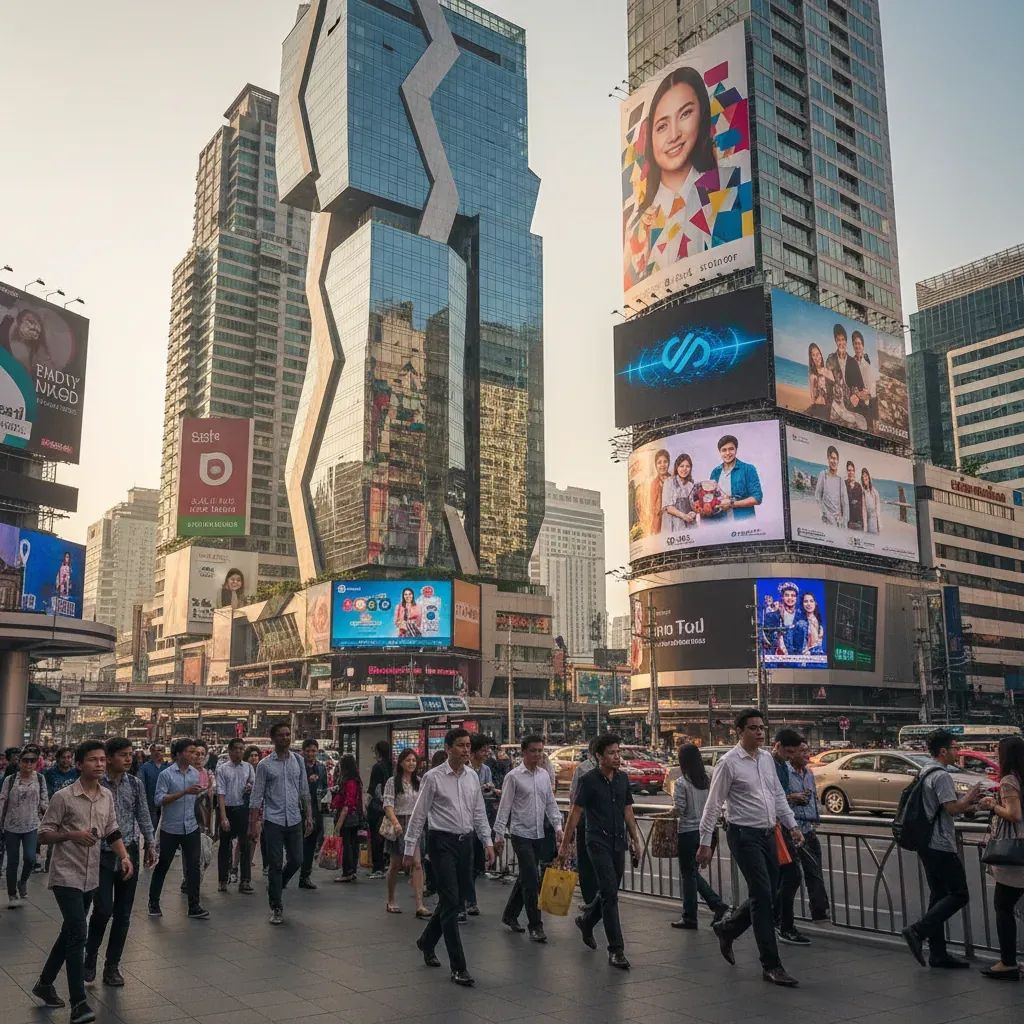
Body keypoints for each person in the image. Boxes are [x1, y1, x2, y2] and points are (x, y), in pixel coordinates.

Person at [698, 709, 804, 987]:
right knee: (762, 896)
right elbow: (712, 805)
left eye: (762, 727)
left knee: (768, 893)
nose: (760, 732)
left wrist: (792, 826)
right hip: (744, 835)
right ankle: (772, 964)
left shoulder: (767, 759)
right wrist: (705, 842)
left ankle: (728, 928)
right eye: (753, 728)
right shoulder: (729, 763)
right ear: (739, 732)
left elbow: (778, 795)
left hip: (770, 834)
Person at [34, 740, 133, 1024]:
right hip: (66, 874)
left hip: (91, 876)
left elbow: (112, 830)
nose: (100, 764)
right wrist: (72, 835)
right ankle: (79, 1003)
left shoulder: (106, 797)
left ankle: (44, 983)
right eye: (93, 760)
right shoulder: (63, 797)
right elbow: (44, 834)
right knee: (79, 932)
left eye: (102, 760)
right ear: (79, 764)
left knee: (69, 933)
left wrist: (124, 857)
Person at [624, 65, 741, 288]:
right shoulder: (636, 225)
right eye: (662, 126)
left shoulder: (728, 186)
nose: (674, 134)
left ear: (702, 117)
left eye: (685, 113)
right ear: (650, 137)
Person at [403, 728, 495, 987]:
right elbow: (419, 814)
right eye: (460, 745)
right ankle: (459, 966)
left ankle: (426, 941)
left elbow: (478, 813)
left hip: (466, 843)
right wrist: (410, 849)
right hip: (441, 842)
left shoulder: (472, 777)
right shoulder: (433, 778)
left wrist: (487, 842)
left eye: (468, 745)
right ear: (448, 748)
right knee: (452, 901)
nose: (466, 750)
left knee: (453, 902)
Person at [558, 734, 643, 970]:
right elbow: (575, 814)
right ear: (598, 756)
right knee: (609, 894)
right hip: (596, 842)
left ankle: (586, 921)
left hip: (618, 843)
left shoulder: (622, 779)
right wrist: (565, 846)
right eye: (612, 753)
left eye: (618, 752)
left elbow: (628, 811)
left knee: (610, 890)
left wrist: (636, 840)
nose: (617, 757)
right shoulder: (588, 780)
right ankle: (616, 949)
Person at [901, 729, 983, 969]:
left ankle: (938, 953)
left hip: (926, 842)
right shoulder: (942, 776)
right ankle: (917, 931)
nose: (958, 752)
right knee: (959, 894)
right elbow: (951, 809)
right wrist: (970, 797)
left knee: (938, 895)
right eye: (955, 748)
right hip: (940, 842)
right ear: (943, 751)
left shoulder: (925, 770)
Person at [83, 738, 155, 988]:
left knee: (123, 914)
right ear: (110, 757)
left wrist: (151, 844)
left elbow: (143, 813)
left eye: (130, 755)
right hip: (100, 854)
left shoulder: (134, 784)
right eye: (123, 755)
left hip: (130, 852)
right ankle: (90, 957)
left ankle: (112, 966)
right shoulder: (95, 785)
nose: (129, 759)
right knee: (103, 909)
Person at [494, 734, 563, 942]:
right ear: (524, 752)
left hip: (539, 833)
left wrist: (558, 826)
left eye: (540, 751)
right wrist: (498, 834)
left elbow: (550, 803)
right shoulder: (513, 777)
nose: (537, 755)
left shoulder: (544, 775)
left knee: (527, 875)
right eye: (533, 751)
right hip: (519, 833)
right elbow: (504, 807)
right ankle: (535, 925)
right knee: (532, 879)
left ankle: (510, 914)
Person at [248, 722, 312, 925]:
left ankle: (279, 883)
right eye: (281, 735)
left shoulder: (298, 761)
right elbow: (256, 797)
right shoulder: (265, 765)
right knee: (275, 864)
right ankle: (276, 905)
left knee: (297, 859)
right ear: (273, 739)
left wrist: (309, 815)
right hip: (273, 820)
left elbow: (304, 791)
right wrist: (252, 825)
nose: (285, 738)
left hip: (294, 819)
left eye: (287, 734)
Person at [771, 733, 829, 944]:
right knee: (788, 878)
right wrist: (792, 800)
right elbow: (776, 799)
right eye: (794, 751)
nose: (802, 755)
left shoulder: (807, 773)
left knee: (809, 872)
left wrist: (815, 816)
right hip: (784, 830)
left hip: (803, 828)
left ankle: (818, 912)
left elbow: (809, 796)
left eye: (803, 750)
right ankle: (779, 921)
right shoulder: (777, 768)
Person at [978, 735, 1024, 979]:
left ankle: (1007, 962)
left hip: (1016, 853)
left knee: (1003, 906)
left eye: (998, 752)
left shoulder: (1009, 780)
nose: (996, 756)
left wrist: (991, 805)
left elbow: (1014, 814)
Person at [148, 737, 208, 920]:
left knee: (193, 866)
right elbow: (158, 800)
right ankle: (154, 902)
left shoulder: (194, 774)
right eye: (190, 752)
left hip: (190, 826)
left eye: (196, 752)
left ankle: (194, 905)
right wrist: (184, 792)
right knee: (163, 865)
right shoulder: (166, 774)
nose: (194, 756)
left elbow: (195, 800)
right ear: (180, 753)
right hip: (170, 828)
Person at [671, 743, 729, 930]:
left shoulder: (681, 783)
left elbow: (680, 809)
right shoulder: (709, 780)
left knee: (688, 874)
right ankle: (715, 905)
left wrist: (668, 814)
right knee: (693, 872)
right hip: (708, 832)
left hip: (688, 832)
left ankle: (694, 914)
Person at [0, 744, 48, 906]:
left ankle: (23, 882)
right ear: (19, 762)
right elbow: (2, 800)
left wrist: (48, 818)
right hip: (11, 826)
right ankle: (12, 893)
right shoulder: (10, 779)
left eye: (32, 761)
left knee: (29, 858)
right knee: (12, 861)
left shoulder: (40, 779)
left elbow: (44, 802)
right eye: (25, 761)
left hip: (31, 825)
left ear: (36, 763)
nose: (28, 764)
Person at [383, 747, 428, 916]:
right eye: (408, 760)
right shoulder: (392, 782)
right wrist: (395, 823)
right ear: (401, 762)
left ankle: (419, 904)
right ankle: (391, 899)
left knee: (417, 863)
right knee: (396, 864)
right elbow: (388, 805)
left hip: (415, 823)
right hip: (399, 822)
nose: (411, 763)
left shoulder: (420, 781)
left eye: (414, 760)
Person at [215, 738, 254, 894]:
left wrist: (250, 787)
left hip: (243, 809)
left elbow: (254, 786)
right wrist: (223, 817)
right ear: (230, 751)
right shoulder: (222, 769)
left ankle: (245, 880)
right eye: (236, 749)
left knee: (245, 845)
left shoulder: (249, 767)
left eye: (241, 749)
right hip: (227, 809)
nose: (239, 751)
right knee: (225, 846)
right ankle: (223, 880)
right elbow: (220, 793)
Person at [465, 733, 497, 915]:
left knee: (478, 863)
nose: (487, 752)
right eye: (484, 749)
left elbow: (486, 793)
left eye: (488, 749)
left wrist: (489, 788)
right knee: (466, 862)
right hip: (464, 822)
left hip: (482, 817)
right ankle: (468, 900)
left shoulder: (486, 770)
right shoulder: (464, 769)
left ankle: (467, 896)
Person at [569, 739, 600, 905]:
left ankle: (593, 899)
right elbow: (575, 797)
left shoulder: (615, 770)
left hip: (590, 822)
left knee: (588, 863)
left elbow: (572, 796)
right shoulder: (583, 769)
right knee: (587, 863)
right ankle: (592, 900)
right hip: (586, 822)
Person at [709, 434, 762, 520]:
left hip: (744, 523)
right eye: (724, 450)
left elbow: (757, 498)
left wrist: (732, 503)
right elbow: (712, 497)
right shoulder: (715, 472)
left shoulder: (748, 469)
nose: (727, 453)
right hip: (721, 522)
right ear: (720, 452)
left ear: (736, 450)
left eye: (731, 449)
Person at [824, 323, 867, 429]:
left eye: (843, 339)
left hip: (850, 408)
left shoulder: (853, 362)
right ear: (835, 341)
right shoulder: (831, 359)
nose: (841, 342)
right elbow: (828, 386)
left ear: (846, 341)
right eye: (839, 340)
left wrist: (857, 396)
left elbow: (861, 387)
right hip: (835, 408)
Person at [299, 738, 328, 890]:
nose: (311, 754)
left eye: (313, 751)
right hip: (299, 809)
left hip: (316, 809)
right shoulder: (298, 767)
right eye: (308, 751)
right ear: (303, 752)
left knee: (310, 843)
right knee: (297, 843)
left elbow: (325, 788)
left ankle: (305, 875)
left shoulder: (321, 768)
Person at [332, 753, 363, 883]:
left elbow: (347, 805)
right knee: (353, 845)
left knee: (346, 845)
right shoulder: (356, 781)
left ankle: (347, 872)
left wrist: (338, 825)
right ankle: (352, 870)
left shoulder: (348, 782)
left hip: (347, 817)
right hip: (355, 817)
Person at [366, 739, 392, 878]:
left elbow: (372, 788)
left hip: (377, 808)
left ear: (378, 751)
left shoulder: (377, 767)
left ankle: (378, 867)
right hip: (390, 807)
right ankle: (389, 863)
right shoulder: (392, 766)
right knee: (388, 836)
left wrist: (366, 804)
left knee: (376, 837)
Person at [2, 307, 56, 372]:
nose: (32, 325)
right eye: (30, 321)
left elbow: (48, 366)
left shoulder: (38, 346)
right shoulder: (7, 323)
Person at [814, 445, 849, 529]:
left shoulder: (840, 480)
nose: (834, 461)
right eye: (832, 458)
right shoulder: (823, 475)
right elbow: (817, 496)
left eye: (836, 459)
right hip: (826, 521)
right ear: (828, 459)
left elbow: (845, 503)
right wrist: (825, 513)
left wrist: (844, 522)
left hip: (838, 523)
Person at [662, 453, 698, 533]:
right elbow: (669, 508)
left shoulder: (691, 485)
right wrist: (684, 516)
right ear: (677, 467)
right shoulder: (669, 482)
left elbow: (694, 507)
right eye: (681, 466)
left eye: (687, 466)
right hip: (673, 525)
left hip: (689, 525)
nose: (684, 469)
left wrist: (693, 513)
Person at [761, 582, 799, 657]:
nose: (790, 598)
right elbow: (766, 638)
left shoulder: (800, 616)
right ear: (782, 597)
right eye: (787, 595)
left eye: (793, 596)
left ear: (796, 598)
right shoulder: (771, 616)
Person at [851, 330, 877, 433]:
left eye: (859, 343)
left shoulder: (868, 366)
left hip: (866, 407)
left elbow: (872, 392)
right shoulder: (850, 363)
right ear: (853, 345)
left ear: (863, 346)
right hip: (853, 406)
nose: (857, 346)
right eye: (855, 343)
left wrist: (862, 396)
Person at [138, 743, 167, 833]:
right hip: (151, 803)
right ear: (151, 752)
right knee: (152, 828)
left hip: (166, 802)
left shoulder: (168, 767)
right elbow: (141, 785)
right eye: (155, 750)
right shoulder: (145, 767)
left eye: (160, 751)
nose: (158, 753)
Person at [791, 592, 825, 659]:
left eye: (811, 601)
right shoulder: (800, 623)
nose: (809, 604)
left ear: (815, 603)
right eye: (806, 601)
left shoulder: (819, 622)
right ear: (802, 604)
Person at [806, 342, 833, 420]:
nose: (816, 357)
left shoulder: (829, 371)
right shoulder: (813, 376)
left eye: (817, 354)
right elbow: (813, 399)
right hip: (820, 409)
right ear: (811, 359)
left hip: (832, 409)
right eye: (813, 355)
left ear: (821, 354)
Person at [845, 460, 865, 531]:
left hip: (859, 522)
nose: (851, 472)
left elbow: (861, 503)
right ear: (847, 471)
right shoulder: (844, 484)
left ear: (854, 472)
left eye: (852, 470)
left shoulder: (858, 486)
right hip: (848, 522)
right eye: (849, 470)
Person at [861, 468, 881, 534]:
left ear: (869, 477)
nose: (865, 478)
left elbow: (878, 509)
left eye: (866, 475)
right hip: (868, 520)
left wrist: (879, 525)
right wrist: (865, 527)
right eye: (863, 476)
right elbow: (864, 510)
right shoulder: (863, 492)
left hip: (875, 520)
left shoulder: (875, 492)